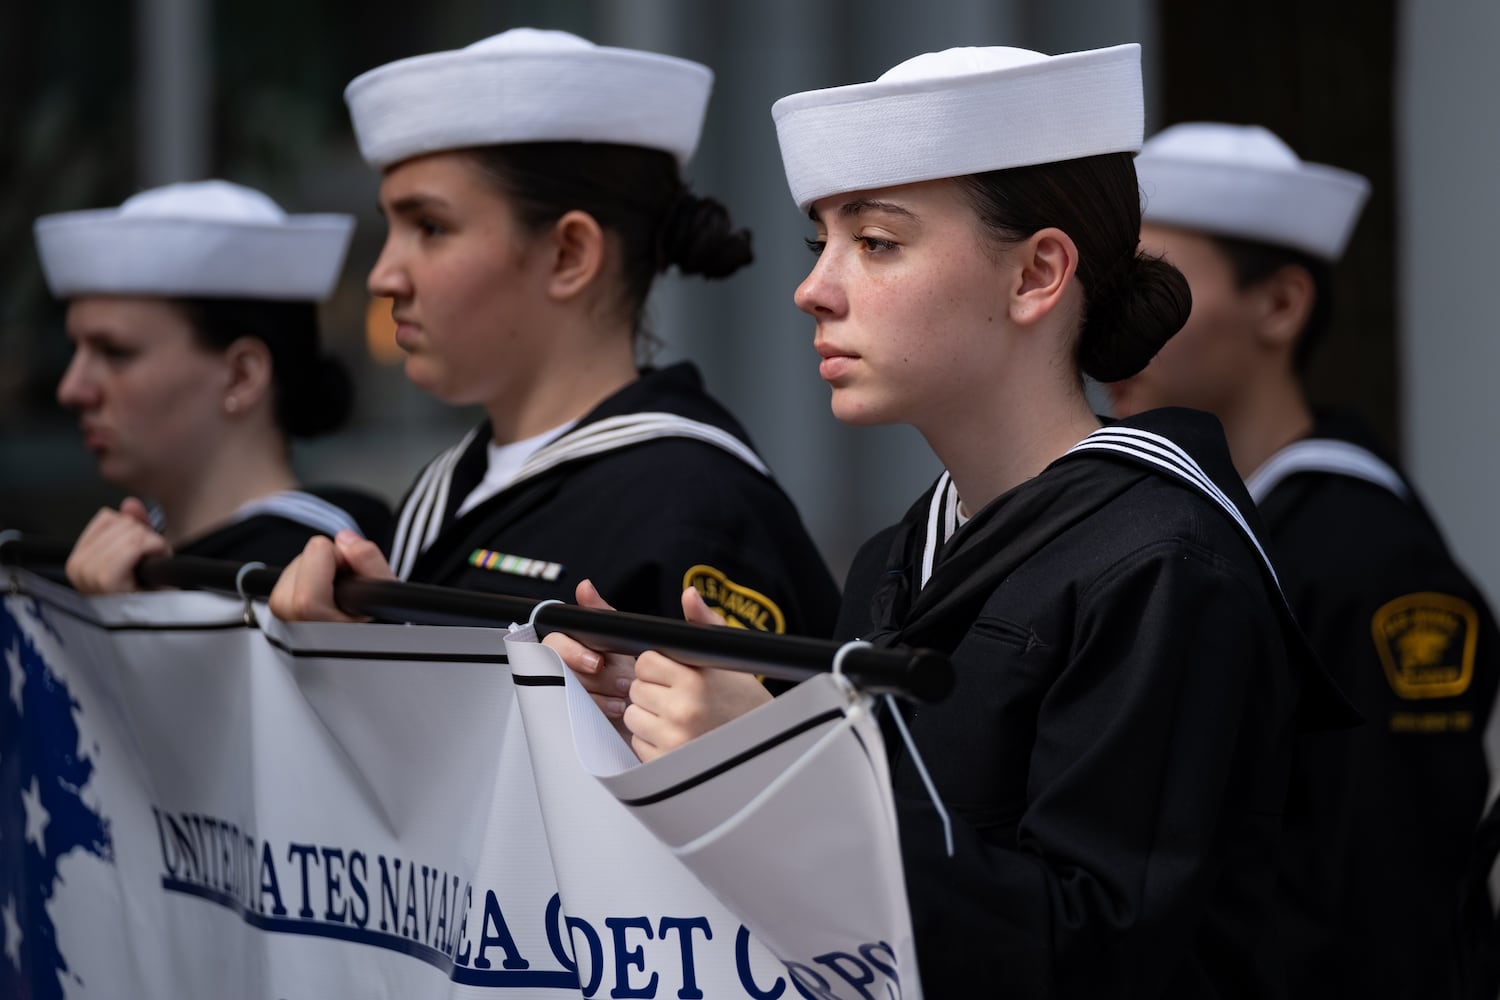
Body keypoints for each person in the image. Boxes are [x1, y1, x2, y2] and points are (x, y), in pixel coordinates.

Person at [547, 44, 1335, 995]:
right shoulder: (899, 554)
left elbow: (1101, 958)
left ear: (1037, 273)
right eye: (821, 242)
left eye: (876, 242)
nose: (815, 288)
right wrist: (661, 719)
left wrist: (771, 764)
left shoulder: (1163, 565)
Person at [269, 28, 839, 653]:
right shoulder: (455, 484)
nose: (383, 275)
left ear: (569, 254)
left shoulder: (693, 513)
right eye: (393, 227)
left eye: (430, 227)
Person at [1108, 121, 1500, 999]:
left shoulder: (1370, 565)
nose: (1107, 321)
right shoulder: (1168, 523)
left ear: (1280, 304)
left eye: (1152, 282)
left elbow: (1382, 903)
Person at [35, 180, 391, 593]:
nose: (72, 389)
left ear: (243, 374)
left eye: (116, 352)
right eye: (74, 351)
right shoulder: (130, 558)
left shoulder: (322, 577)